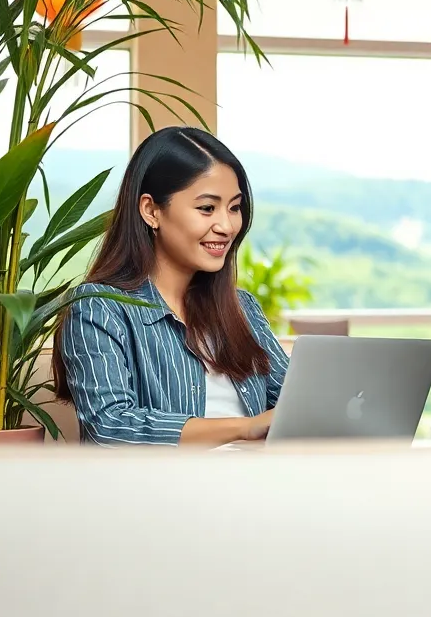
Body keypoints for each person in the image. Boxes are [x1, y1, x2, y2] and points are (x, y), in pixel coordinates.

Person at [54, 127, 289, 446]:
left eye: (234, 207)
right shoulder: (99, 308)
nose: (227, 226)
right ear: (151, 211)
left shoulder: (242, 308)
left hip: (256, 474)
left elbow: (294, 401)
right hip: (160, 479)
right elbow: (110, 427)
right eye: (207, 208)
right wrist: (244, 428)